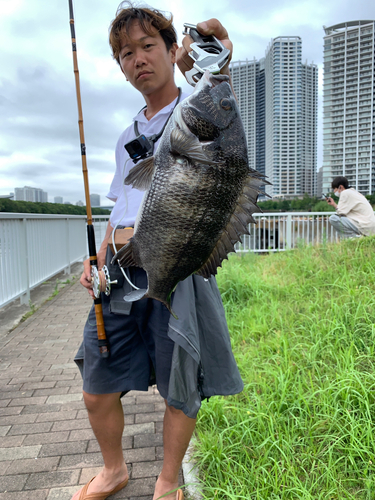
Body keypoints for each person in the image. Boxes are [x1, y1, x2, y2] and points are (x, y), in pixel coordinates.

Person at [72, 3, 243, 500]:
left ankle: (167, 482)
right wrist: (97, 257)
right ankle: (114, 470)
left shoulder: (197, 109)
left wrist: (216, 54)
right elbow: (119, 209)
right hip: (121, 272)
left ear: (173, 51)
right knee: (95, 382)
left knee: (180, 386)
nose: (137, 59)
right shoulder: (128, 133)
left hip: (177, 264)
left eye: (148, 46)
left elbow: (219, 63)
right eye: (126, 53)